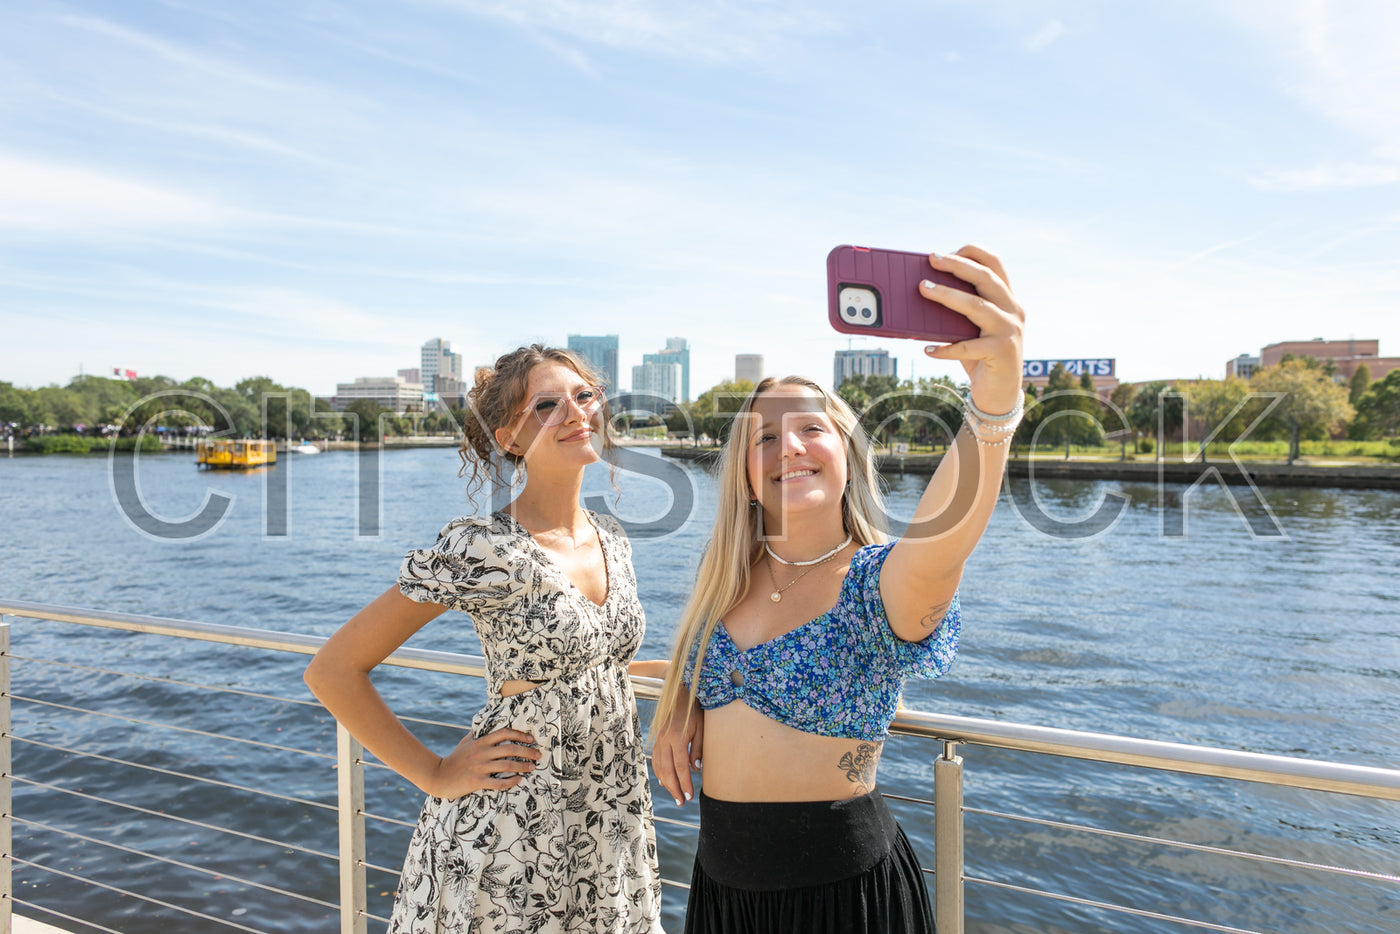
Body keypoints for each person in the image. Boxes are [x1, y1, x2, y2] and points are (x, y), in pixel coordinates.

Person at [651, 246, 1025, 933]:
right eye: (765, 438)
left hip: (843, 902)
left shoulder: (876, 582)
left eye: (811, 430)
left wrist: (994, 400)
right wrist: (678, 693)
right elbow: (717, 673)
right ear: (741, 474)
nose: (789, 448)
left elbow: (947, 540)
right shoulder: (726, 580)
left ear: (849, 458)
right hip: (721, 896)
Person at [305, 344, 665, 934]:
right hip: (513, 827)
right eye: (546, 405)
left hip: (607, 815)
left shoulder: (612, 539)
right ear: (509, 439)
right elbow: (333, 669)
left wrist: (709, 672)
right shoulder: (485, 547)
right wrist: (435, 772)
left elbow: (599, 667)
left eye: (583, 396)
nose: (576, 413)